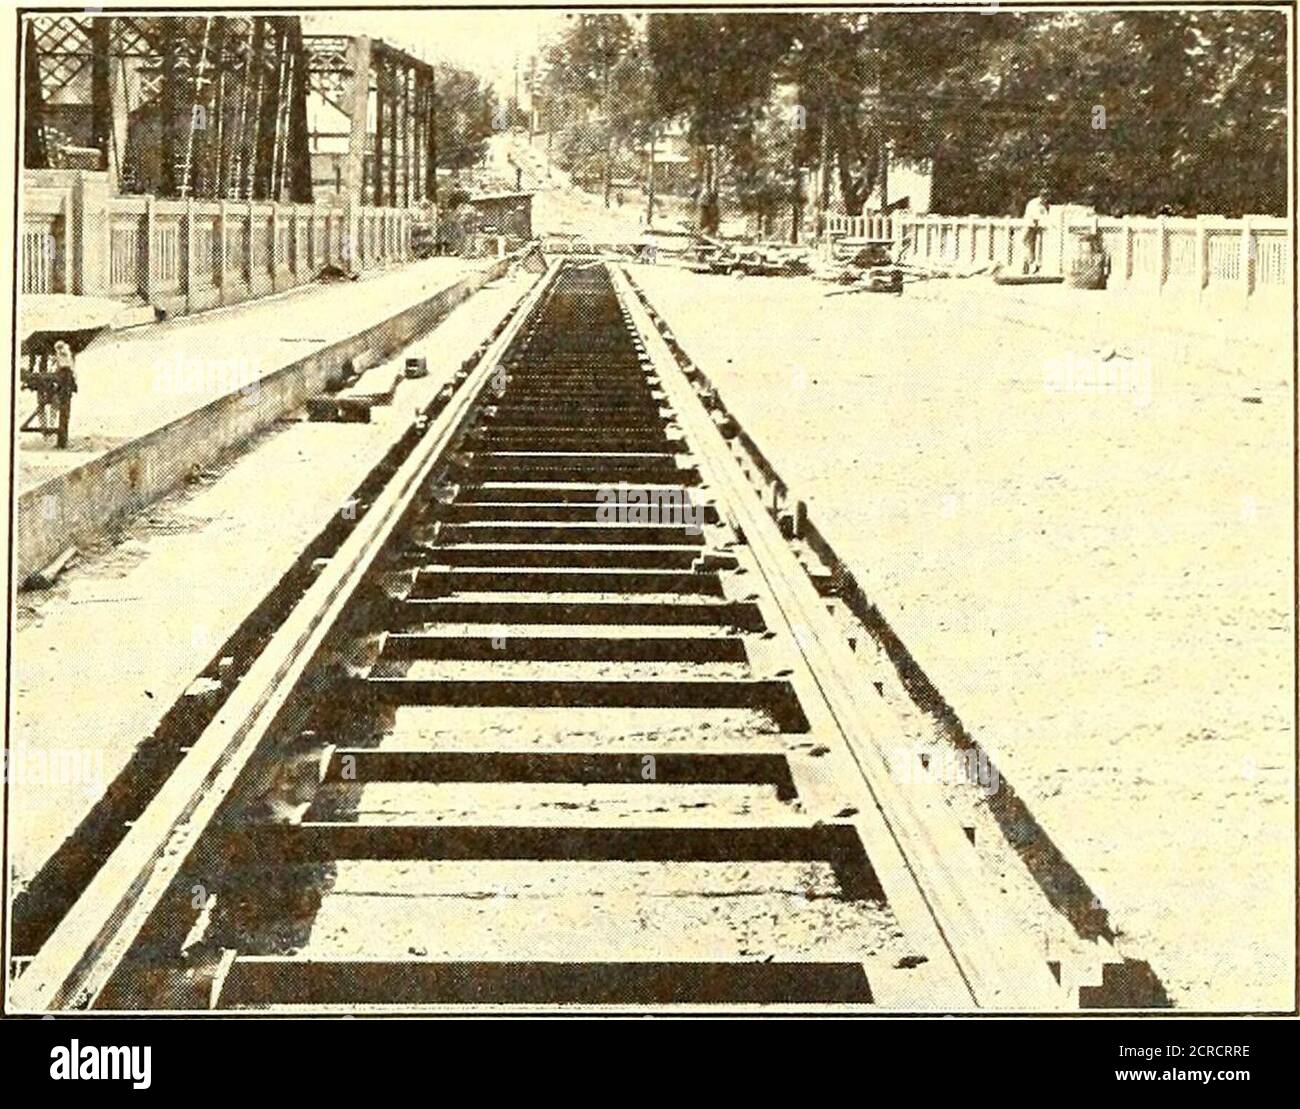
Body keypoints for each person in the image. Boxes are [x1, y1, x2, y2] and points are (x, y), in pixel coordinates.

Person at [1021, 188, 1050, 274]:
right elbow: (1035, 217)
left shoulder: (1043, 205)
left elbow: (1045, 216)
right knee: (1028, 245)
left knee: (1034, 247)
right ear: (1041, 196)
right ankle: (1026, 266)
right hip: (1030, 226)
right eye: (1045, 196)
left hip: (1036, 227)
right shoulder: (1034, 203)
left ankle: (1034, 266)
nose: (1046, 199)